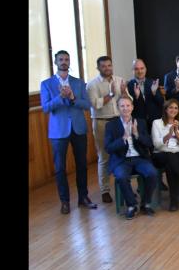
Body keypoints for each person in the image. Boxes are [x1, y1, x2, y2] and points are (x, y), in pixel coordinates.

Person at [40, 50, 94, 214]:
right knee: (60, 168)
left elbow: (87, 105)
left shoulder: (78, 83)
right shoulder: (47, 84)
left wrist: (72, 98)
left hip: (78, 128)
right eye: (61, 59)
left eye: (67, 59)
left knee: (82, 164)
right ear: (55, 62)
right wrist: (60, 97)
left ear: (70, 62)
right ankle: (65, 201)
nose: (64, 62)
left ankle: (83, 197)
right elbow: (46, 107)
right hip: (58, 131)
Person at [105, 95, 159, 219]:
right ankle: (132, 205)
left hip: (139, 158)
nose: (125, 108)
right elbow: (108, 148)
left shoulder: (140, 122)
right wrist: (122, 139)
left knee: (152, 173)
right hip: (121, 160)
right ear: (118, 108)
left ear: (132, 107)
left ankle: (145, 203)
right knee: (121, 176)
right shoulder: (111, 125)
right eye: (122, 106)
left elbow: (149, 143)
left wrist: (137, 134)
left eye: (128, 105)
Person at [87, 55, 126, 204]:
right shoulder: (92, 85)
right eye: (103, 66)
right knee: (104, 156)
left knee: (122, 153)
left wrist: (122, 92)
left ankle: (124, 187)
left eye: (109, 65)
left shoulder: (119, 80)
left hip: (119, 120)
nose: (107, 68)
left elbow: (128, 101)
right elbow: (96, 104)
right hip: (101, 122)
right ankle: (105, 190)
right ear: (98, 68)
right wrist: (110, 95)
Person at [127, 58, 163, 128]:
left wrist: (154, 92)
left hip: (155, 120)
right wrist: (136, 97)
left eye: (142, 68)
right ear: (132, 71)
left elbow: (161, 102)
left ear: (145, 69)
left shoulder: (153, 82)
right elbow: (128, 106)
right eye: (136, 69)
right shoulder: (128, 85)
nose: (140, 71)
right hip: (138, 121)